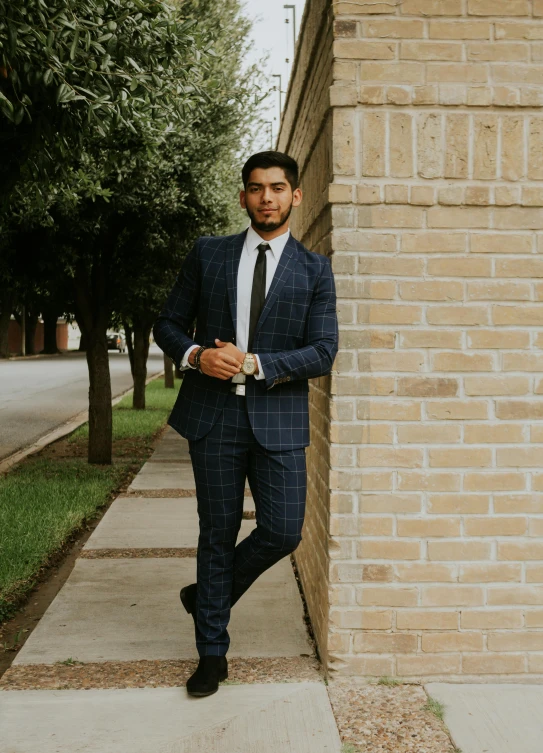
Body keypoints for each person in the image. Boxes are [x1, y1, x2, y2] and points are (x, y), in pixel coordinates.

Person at [153, 150, 339, 698]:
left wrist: (258, 363)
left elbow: (324, 351)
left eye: (278, 188)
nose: (267, 198)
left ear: (295, 195)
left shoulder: (314, 270)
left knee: (282, 530)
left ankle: (205, 598)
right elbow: (167, 323)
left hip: (277, 418)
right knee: (217, 532)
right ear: (243, 197)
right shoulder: (208, 255)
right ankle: (212, 653)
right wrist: (194, 356)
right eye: (256, 188)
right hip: (213, 416)